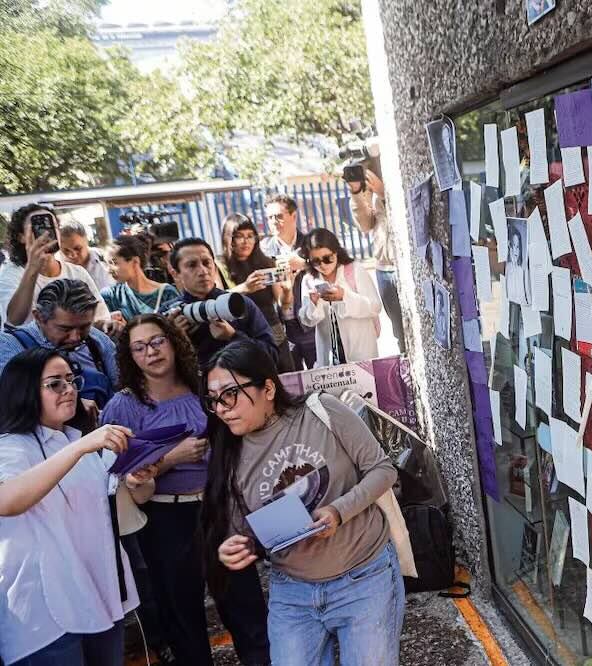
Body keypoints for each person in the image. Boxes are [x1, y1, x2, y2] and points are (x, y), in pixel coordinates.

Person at [201, 340, 403, 666]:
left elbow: (382, 470)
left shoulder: (320, 411)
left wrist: (339, 511)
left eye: (230, 394)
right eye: (213, 400)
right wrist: (233, 548)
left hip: (364, 578)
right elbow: (242, 531)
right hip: (292, 593)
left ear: (267, 388)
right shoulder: (228, 454)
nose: (222, 408)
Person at [101, 315, 271, 666]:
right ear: (129, 355)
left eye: (158, 341)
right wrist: (170, 458)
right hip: (164, 516)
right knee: (182, 616)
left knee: (245, 605)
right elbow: (114, 474)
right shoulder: (124, 405)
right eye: (140, 347)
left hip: (219, 507)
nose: (151, 352)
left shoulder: (203, 387)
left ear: (174, 341)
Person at [0, 347, 141, 665]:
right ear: (24, 391)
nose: (69, 389)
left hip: (99, 591)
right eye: (55, 383)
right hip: (44, 614)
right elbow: (7, 501)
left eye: (71, 380)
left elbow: (132, 499)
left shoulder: (78, 441)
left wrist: (140, 477)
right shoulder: (9, 446)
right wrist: (81, 447)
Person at [0, 279, 118, 417]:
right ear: (38, 317)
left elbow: (122, 388)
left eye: (84, 327)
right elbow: (11, 406)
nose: (75, 337)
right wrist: (74, 405)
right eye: (64, 329)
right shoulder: (10, 347)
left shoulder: (98, 341)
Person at [165, 237, 277, 366]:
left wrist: (234, 337)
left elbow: (272, 354)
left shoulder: (239, 304)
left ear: (215, 267)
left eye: (207, 263)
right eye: (192, 265)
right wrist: (174, 339)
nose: (203, 271)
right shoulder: (170, 316)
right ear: (175, 273)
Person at [0, 203, 111, 327]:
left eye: (51, 227)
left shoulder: (77, 272)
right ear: (21, 237)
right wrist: (32, 268)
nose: (45, 234)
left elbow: (98, 317)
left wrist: (107, 325)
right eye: (36, 228)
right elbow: (14, 320)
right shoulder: (10, 273)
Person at [220, 214, 296, 372]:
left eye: (250, 236)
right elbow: (216, 298)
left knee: (287, 381)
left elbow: (284, 305)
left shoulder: (266, 263)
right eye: (239, 236)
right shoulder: (219, 265)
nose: (246, 241)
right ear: (228, 238)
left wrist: (287, 290)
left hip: (273, 332)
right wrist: (244, 288)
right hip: (241, 335)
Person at [298, 228, 383, 367]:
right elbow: (307, 321)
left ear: (336, 252)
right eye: (316, 261)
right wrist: (313, 303)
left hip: (361, 350)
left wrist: (344, 296)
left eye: (327, 258)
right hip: (330, 357)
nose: (323, 265)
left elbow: (375, 306)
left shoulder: (354, 270)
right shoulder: (309, 280)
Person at [347, 164, 406, 354]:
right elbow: (365, 225)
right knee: (400, 332)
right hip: (384, 268)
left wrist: (384, 194)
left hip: (403, 266)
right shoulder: (369, 185)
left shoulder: (396, 174)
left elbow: (408, 214)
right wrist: (357, 193)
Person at [261, 194, 314, 370]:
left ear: (294, 216)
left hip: (310, 323)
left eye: (278, 216)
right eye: (269, 217)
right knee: (292, 383)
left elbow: (332, 266)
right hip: (281, 326)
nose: (274, 221)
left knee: (321, 375)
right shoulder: (263, 249)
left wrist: (306, 264)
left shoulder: (311, 243)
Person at [101, 235, 180, 320]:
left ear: (135, 261)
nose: (109, 270)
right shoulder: (111, 296)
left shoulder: (166, 293)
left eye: (114, 263)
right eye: (107, 264)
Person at [59, 222, 113, 291]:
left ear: (86, 241)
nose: (72, 255)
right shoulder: (59, 270)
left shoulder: (106, 260)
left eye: (77, 248)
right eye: (66, 250)